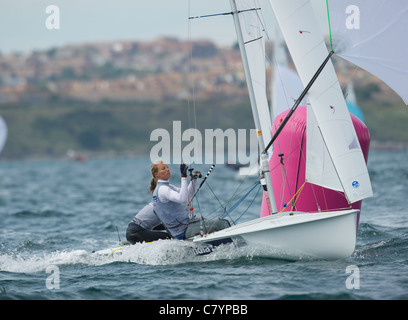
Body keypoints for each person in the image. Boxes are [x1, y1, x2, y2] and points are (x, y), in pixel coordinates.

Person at [150, 160, 199, 240]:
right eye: (163, 168)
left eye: (167, 167)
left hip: (185, 226)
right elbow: (183, 199)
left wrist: (193, 180)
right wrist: (183, 176)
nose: (167, 169)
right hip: (182, 231)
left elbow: (187, 195)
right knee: (223, 224)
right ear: (156, 174)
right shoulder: (163, 189)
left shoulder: (167, 186)